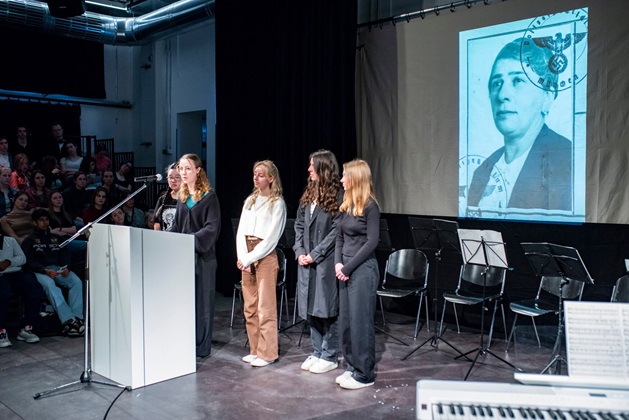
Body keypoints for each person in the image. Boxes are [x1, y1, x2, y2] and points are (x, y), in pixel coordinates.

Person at [467, 38, 572, 211]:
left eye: (518, 81)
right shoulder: (482, 171)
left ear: (547, 96)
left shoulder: (568, 160)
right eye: (497, 83)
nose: (502, 95)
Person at [294, 150, 342, 374]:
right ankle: (316, 351)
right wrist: (300, 251)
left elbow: (336, 231)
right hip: (306, 261)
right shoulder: (308, 193)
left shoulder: (338, 196)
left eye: (312, 166)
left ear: (323, 168)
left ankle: (330, 354)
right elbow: (299, 226)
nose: (309, 169)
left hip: (324, 262)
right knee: (311, 307)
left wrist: (316, 254)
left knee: (327, 308)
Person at [334, 159, 380, 390]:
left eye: (345, 176)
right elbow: (339, 237)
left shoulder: (370, 206)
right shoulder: (347, 205)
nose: (341, 180)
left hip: (362, 271)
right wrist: (337, 263)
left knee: (361, 323)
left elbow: (371, 242)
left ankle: (365, 374)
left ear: (356, 178)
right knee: (347, 323)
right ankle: (351, 367)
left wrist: (347, 268)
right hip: (345, 269)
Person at [235, 160, 286, 367]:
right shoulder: (250, 201)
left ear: (271, 179)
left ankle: (268, 353)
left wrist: (250, 258)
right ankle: (255, 349)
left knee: (266, 307)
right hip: (247, 256)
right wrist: (242, 258)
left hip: (264, 257)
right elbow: (240, 231)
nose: (256, 178)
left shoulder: (277, 203)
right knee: (250, 307)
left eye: (261, 175)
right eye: (255, 174)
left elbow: (272, 238)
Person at [171, 153, 220, 359]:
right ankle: (185, 342)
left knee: (203, 304)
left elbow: (211, 228)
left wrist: (188, 241)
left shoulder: (209, 196)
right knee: (185, 301)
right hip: (183, 258)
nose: (183, 173)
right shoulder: (182, 198)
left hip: (203, 258)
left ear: (198, 171)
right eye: (181, 169)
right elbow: (176, 225)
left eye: (188, 169)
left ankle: (201, 347)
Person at [21, 209, 85, 337]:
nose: (45, 222)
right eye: (41, 220)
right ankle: (69, 320)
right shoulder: (29, 240)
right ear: (34, 223)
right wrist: (44, 270)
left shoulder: (57, 238)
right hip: (39, 271)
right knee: (50, 285)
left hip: (58, 268)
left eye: (47, 220)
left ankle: (77, 319)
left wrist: (67, 267)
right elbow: (27, 261)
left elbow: (66, 254)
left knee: (76, 281)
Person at [0, 235, 44, 348]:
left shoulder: (10, 240)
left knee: (35, 288)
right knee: (3, 292)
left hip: (15, 272)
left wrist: (8, 262)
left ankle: (26, 328)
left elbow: (22, 258)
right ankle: (1, 331)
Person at [152, 163, 182, 231]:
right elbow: (157, 223)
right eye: (170, 177)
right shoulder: (162, 199)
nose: (173, 180)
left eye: (177, 177)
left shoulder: (189, 199)